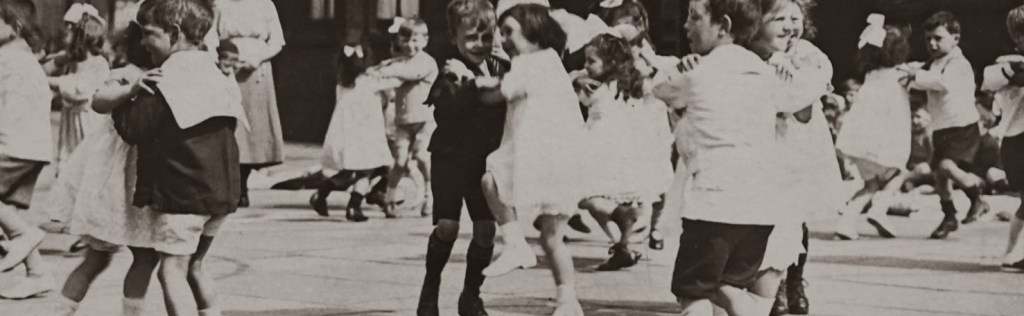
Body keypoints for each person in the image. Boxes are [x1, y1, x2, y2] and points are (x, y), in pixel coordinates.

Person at [653, 0, 821, 313]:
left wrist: (681, 68)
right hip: (759, 209)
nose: (686, 26)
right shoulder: (766, 72)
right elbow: (801, 98)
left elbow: (660, 89)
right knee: (728, 286)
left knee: (694, 292)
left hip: (713, 206)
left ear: (724, 26)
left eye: (695, 18)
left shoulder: (699, 72)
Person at [113, 1, 247, 315]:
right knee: (196, 267)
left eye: (149, 34)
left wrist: (123, 96)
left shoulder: (165, 78)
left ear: (174, 33)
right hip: (223, 191)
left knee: (170, 270)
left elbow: (135, 128)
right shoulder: (215, 72)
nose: (144, 42)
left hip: (184, 194)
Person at [477, 4, 587, 315]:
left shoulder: (528, 63)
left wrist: (470, 82)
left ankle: (514, 244)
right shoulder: (550, 60)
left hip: (541, 154)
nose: (504, 39)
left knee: (490, 179)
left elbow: (494, 95)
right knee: (551, 236)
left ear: (534, 30)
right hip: (562, 157)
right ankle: (568, 300)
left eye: (509, 31)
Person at [49, 22, 162, 316]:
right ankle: (60, 311)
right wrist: (132, 89)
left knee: (145, 256)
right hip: (116, 178)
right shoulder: (127, 73)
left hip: (143, 176)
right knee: (98, 257)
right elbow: (99, 101)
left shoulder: (173, 75)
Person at [415, 1, 509, 314]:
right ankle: (430, 291)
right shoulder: (450, 73)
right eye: (471, 37)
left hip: (485, 160)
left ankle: (471, 296)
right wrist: (473, 81)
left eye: (486, 36)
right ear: (454, 38)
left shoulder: (501, 68)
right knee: (447, 227)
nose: (480, 45)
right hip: (451, 158)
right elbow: (454, 109)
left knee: (485, 229)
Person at [748, 1, 841, 315]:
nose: (789, 25)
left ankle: (794, 281)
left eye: (795, 18)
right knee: (766, 218)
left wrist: (786, 68)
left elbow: (800, 106)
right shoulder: (750, 53)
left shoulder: (808, 54)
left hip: (798, 146)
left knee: (794, 216)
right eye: (779, 18)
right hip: (764, 144)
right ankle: (769, 288)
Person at [901, 11, 987, 238]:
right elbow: (922, 69)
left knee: (946, 167)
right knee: (940, 177)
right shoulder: (935, 61)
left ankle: (976, 194)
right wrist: (904, 70)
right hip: (941, 127)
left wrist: (913, 75)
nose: (932, 43)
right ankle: (949, 216)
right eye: (928, 38)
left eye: (938, 38)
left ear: (955, 39)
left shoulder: (959, 63)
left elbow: (940, 83)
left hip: (962, 126)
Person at [833, 17, 914, 241]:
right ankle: (879, 209)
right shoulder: (901, 75)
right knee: (898, 173)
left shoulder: (871, 76)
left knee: (870, 184)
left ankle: (846, 221)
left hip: (860, 143)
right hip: (882, 144)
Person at [574, 33, 648, 271]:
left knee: (582, 195)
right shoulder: (628, 84)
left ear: (611, 63)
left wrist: (575, 79)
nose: (585, 66)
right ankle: (621, 246)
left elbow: (575, 90)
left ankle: (621, 221)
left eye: (591, 61)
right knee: (600, 201)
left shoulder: (595, 87)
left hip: (599, 150)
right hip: (622, 150)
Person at [0, 0, 54, 299]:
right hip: (33, 146)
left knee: (16, 226)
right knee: (5, 211)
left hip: (12, 144)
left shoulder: (5, 60)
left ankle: (21, 235)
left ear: (15, 26)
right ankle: (38, 273)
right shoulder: (25, 59)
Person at [310, 39, 394, 221]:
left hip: (347, 135)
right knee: (374, 170)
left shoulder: (342, 84)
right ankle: (354, 206)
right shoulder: (371, 82)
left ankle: (323, 194)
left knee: (353, 172)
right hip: (367, 136)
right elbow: (395, 81)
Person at [216, 0, 286, 207]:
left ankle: (243, 184)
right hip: (228, 70)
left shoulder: (264, 5)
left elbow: (277, 41)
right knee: (230, 126)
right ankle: (233, 185)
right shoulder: (221, 5)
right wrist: (221, 62)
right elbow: (211, 38)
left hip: (257, 71)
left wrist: (258, 58)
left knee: (252, 131)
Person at [375, 17, 439, 218]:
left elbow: (411, 73)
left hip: (425, 119)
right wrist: (379, 72)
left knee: (422, 156)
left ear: (425, 41)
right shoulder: (398, 62)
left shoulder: (426, 62)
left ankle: (431, 195)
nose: (410, 46)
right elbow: (385, 72)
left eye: (415, 41)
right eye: (406, 41)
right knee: (400, 161)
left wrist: (384, 71)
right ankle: (390, 197)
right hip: (403, 121)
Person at [981, 4, 1024, 271]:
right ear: (1017, 37)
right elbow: (990, 80)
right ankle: (1011, 253)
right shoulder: (1006, 65)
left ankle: (1012, 253)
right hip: (1018, 140)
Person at [48, 9, 110, 176]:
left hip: (88, 121)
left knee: (87, 165)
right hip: (70, 121)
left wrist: (47, 81)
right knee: (67, 165)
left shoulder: (99, 63)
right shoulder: (74, 62)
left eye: (72, 34)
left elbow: (79, 90)